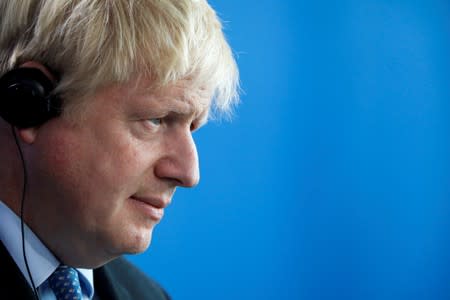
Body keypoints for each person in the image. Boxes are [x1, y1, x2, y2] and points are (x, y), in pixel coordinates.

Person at [0, 0, 239, 299]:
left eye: (192, 128)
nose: (189, 174)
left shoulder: (148, 295)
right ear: (29, 105)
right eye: (156, 119)